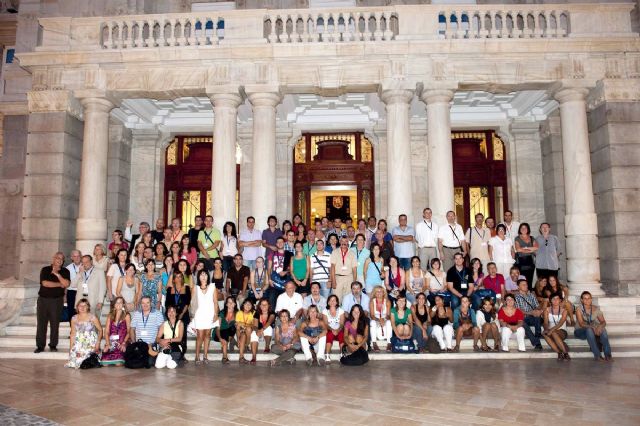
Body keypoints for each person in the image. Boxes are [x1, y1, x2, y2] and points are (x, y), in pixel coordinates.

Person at [35, 252, 71, 354]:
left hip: (57, 301)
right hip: (43, 300)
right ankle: (40, 346)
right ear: (53, 259)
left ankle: (53, 345)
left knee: (55, 324)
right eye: (57, 258)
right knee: (41, 324)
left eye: (62, 259)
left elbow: (67, 284)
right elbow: (45, 283)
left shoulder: (65, 271)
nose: (60, 260)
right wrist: (60, 284)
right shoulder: (45, 269)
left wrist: (57, 275)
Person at [575, 291, 612, 362]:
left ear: (591, 299)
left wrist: (600, 326)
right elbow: (581, 324)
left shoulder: (596, 308)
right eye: (585, 298)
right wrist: (593, 327)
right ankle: (597, 355)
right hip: (580, 331)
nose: (587, 300)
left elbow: (603, 322)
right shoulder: (579, 309)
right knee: (589, 329)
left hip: (592, 330)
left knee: (603, 329)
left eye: (589, 298)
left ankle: (608, 354)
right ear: (581, 300)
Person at [65, 298, 103, 369]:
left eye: (85, 306)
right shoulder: (74, 318)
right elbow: (73, 334)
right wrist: (71, 349)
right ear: (77, 307)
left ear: (88, 307)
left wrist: (98, 343)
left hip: (91, 343)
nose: (82, 308)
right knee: (74, 362)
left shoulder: (93, 317)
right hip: (79, 342)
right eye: (80, 306)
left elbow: (100, 330)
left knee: (86, 361)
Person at [193, 269, 218, 365]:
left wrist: (215, 314)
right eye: (201, 275)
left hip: (210, 313)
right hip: (199, 314)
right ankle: (197, 356)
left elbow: (215, 302)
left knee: (207, 335)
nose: (203, 276)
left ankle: (205, 356)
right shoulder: (195, 288)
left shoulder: (212, 287)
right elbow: (192, 303)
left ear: (208, 276)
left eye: (205, 275)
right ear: (198, 277)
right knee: (200, 336)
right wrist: (192, 316)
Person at [73, 255, 107, 322]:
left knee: (94, 322)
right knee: (81, 323)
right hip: (81, 301)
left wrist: (100, 301)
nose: (85, 264)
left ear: (91, 261)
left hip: (94, 301)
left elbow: (102, 288)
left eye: (87, 262)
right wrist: (79, 273)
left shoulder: (99, 271)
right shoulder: (80, 272)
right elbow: (73, 285)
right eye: (83, 262)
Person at [165, 272, 191, 355]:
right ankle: (172, 352)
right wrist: (172, 314)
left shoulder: (186, 288)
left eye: (180, 277)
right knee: (171, 334)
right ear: (173, 279)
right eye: (176, 277)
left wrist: (181, 314)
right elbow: (167, 303)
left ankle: (182, 354)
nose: (178, 278)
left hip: (183, 314)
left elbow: (187, 303)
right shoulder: (169, 289)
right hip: (172, 314)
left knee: (183, 335)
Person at [513, 278, 544, 350]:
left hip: (533, 317)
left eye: (526, 284)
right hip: (523, 318)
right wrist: (530, 312)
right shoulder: (516, 297)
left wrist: (538, 310)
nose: (526, 286)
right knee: (522, 323)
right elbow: (518, 310)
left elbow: (537, 306)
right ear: (518, 287)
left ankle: (538, 334)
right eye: (523, 285)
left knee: (537, 316)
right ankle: (537, 343)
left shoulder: (531, 295)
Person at [101, 296, 130, 366]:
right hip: (111, 342)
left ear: (123, 304)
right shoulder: (110, 316)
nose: (118, 304)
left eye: (120, 302)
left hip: (121, 343)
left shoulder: (127, 315)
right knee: (104, 364)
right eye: (117, 302)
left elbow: (129, 332)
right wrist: (108, 343)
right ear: (114, 304)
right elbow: (107, 332)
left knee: (118, 364)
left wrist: (124, 343)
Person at [543, 292, 570, 361]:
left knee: (554, 333)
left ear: (560, 300)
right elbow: (545, 322)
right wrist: (546, 329)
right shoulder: (547, 310)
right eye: (553, 299)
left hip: (562, 331)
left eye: (557, 299)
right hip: (550, 331)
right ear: (550, 301)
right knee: (544, 334)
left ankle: (565, 353)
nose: (555, 301)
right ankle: (559, 353)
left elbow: (560, 323)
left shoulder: (564, 310)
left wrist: (551, 330)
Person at [267, 237, 291, 308]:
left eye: (281, 242)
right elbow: (269, 268)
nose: (280, 243)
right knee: (271, 301)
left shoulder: (289, 254)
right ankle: (273, 317)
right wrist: (269, 279)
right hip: (274, 281)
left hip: (285, 282)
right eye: (278, 242)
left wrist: (285, 271)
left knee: (285, 303)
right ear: (276, 244)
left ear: (284, 243)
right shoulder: (272, 253)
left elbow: (292, 268)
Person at [213, 296, 238, 364]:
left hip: (229, 332)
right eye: (229, 302)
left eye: (232, 302)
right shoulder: (222, 313)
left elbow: (237, 325)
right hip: (218, 333)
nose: (230, 304)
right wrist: (220, 338)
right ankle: (225, 357)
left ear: (235, 304)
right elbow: (217, 328)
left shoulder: (237, 313)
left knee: (234, 327)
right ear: (226, 304)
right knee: (225, 334)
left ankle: (234, 342)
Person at [514, 223, 538, 288]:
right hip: (521, 261)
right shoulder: (517, 238)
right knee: (521, 279)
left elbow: (536, 248)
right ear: (520, 229)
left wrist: (524, 249)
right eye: (522, 228)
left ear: (528, 229)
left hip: (530, 261)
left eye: (525, 228)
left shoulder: (532, 238)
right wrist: (530, 249)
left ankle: (529, 293)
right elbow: (518, 249)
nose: (523, 229)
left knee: (529, 279)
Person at [369, 285, 392, 351]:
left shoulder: (387, 301)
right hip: (376, 320)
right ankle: (374, 343)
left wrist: (384, 319)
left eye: (381, 291)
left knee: (389, 322)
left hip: (384, 319)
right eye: (377, 292)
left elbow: (388, 315)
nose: (379, 293)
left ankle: (389, 343)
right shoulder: (372, 302)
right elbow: (372, 315)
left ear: (383, 293)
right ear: (375, 293)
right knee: (372, 322)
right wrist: (379, 320)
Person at [322, 294, 345, 363]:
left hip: (339, 330)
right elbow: (325, 324)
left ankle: (342, 354)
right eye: (330, 300)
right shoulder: (325, 311)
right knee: (329, 335)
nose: (332, 302)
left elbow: (342, 324)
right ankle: (327, 355)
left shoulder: (341, 311)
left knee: (341, 335)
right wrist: (332, 330)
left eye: (334, 300)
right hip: (329, 330)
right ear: (328, 302)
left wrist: (337, 330)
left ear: (337, 302)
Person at [236, 299, 255, 364]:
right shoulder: (239, 313)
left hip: (249, 329)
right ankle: (241, 357)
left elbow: (253, 324)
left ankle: (247, 344)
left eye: (250, 304)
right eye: (246, 304)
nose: (248, 306)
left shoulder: (253, 313)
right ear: (243, 305)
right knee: (243, 335)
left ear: (252, 306)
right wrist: (238, 339)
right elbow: (238, 326)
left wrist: (244, 324)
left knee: (248, 329)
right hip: (241, 331)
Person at [65, 249, 82, 321]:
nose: (76, 258)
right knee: (71, 312)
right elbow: (66, 284)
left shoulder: (85, 266)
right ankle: (72, 329)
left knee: (82, 312)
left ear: (81, 257)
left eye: (78, 256)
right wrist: (64, 296)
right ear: (71, 258)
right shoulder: (68, 268)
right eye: (74, 256)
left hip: (82, 292)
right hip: (71, 292)